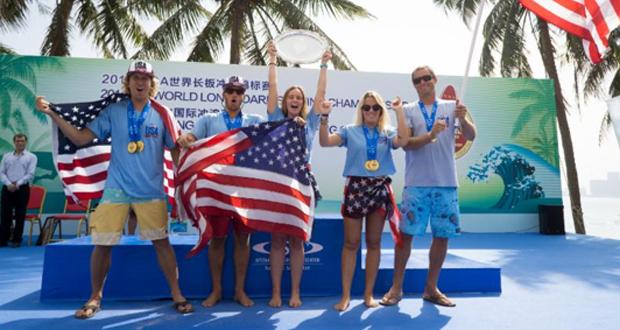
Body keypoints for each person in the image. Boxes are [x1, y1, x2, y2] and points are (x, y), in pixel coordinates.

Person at [35, 60, 194, 318]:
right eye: (135, 77)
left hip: (150, 191)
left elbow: (176, 148)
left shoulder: (163, 113)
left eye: (145, 78)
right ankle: (95, 296)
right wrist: (52, 113)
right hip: (116, 190)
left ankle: (176, 292)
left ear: (152, 83)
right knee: (102, 244)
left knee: (162, 243)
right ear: (128, 82)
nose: (140, 82)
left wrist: (185, 179)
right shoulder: (114, 111)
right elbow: (79, 138)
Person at [380, 65, 477, 308]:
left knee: (442, 237)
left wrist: (463, 119)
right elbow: (407, 144)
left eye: (426, 78)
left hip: (446, 184)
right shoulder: (410, 110)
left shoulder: (452, 106)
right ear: (414, 85)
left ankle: (431, 289)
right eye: (417, 80)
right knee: (406, 237)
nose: (422, 83)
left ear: (434, 80)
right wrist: (432, 134)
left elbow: (472, 135)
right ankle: (396, 288)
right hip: (416, 184)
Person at [177, 75, 263, 308]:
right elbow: (192, 138)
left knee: (243, 240)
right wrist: (186, 139)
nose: (234, 95)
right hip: (215, 189)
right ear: (223, 94)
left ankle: (239, 291)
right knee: (217, 240)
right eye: (230, 90)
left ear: (244, 96)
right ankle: (216, 290)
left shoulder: (255, 120)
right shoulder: (208, 119)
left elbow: (271, 139)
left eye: (239, 91)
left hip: (244, 189)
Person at [318, 91, 408, 311]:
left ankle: (368, 295)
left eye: (375, 107)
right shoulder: (350, 131)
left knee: (374, 243)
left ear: (380, 111)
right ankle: (346, 296)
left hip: (378, 189)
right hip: (356, 189)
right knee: (351, 243)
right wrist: (324, 118)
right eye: (366, 107)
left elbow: (404, 140)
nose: (370, 111)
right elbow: (324, 142)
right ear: (360, 110)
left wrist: (399, 113)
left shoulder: (388, 132)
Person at [265, 41, 331, 308]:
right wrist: (272, 59)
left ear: (303, 104)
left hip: (302, 186)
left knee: (297, 241)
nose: (295, 100)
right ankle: (276, 293)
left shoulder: (311, 122)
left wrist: (324, 64)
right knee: (277, 240)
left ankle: (294, 292)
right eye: (291, 97)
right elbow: (272, 88)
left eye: (299, 98)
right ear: (284, 102)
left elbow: (321, 92)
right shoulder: (274, 118)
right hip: (278, 184)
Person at [0, 133, 38, 248]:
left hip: (22, 189)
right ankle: (3, 239)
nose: (20, 143)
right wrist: (8, 184)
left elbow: (30, 174)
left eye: (22, 141)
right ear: (14, 142)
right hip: (7, 188)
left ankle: (17, 239)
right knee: (5, 214)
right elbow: (1, 172)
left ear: (26, 142)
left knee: (20, 214)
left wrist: (18, 184)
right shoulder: (6, 156)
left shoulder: (32, 157)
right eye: (17, 141)